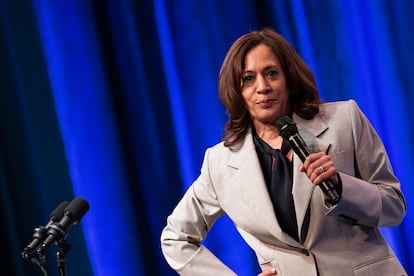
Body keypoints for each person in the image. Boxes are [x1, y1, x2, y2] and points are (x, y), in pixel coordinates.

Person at [160, 28, 407, 275]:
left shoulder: (345, 120)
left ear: (289, 79)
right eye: (248, 78)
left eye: (271, 73)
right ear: (237, 91)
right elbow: (175, 238)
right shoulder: (220, 163)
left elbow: (393, 207)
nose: (262, 87)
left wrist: (342, 187)